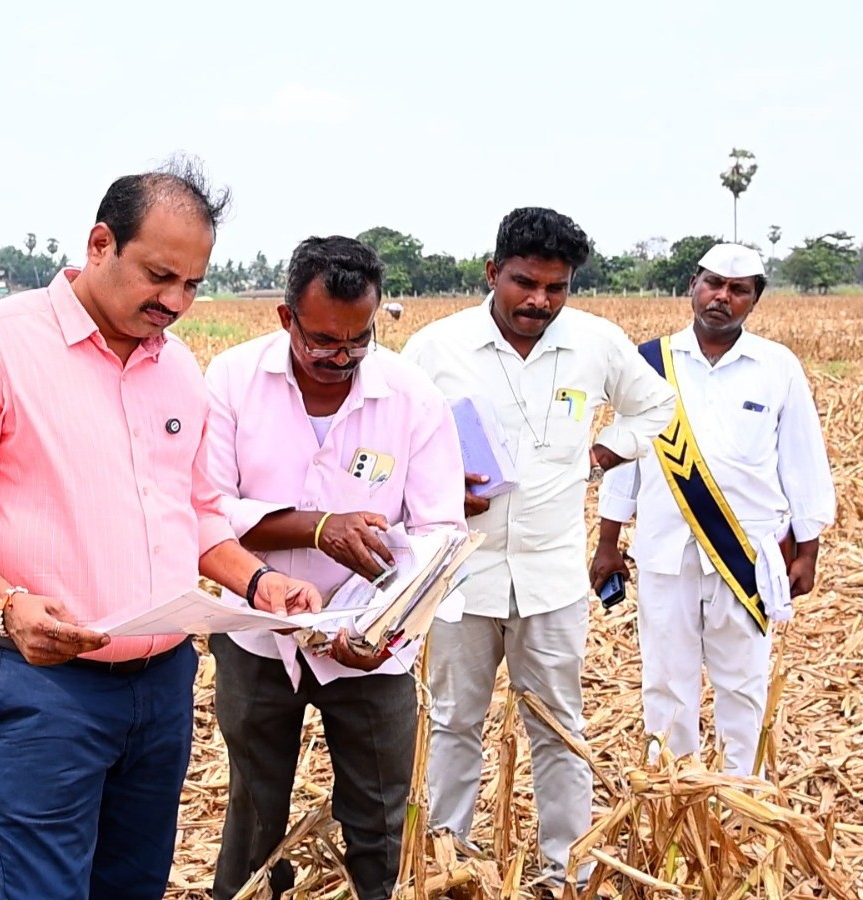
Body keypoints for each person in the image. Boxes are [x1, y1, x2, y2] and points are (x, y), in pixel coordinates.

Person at [0, 160, 320, 900]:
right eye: (159, 276)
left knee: (133, 886)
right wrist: (9, 604)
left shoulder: (178, 368)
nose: (175, 302)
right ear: (101, 244)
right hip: (44, 685)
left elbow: (194, 510)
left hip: (162, 685)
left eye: (192, 284)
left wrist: (261, 581)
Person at [401, 207, 676, 890]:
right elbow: (390, 432)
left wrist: (604, 454)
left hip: (552, 576)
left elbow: (658, 408)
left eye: (557, 288)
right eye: (525, 283)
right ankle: (446, 863)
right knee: (453, 721)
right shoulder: (437, 348)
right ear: (492, 271)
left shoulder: (596, 342)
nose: (539, 301)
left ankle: (567, 870)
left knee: (558, 728)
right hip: (461, 573)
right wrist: (432, 487)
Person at [203, 236, 468, 900]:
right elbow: (205, 509)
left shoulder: (410, 395)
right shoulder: (231, 381)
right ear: (285, 317)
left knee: (380, 818)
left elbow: (440, 533)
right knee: (255, 814)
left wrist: (385, 632)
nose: (340, 358)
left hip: (373, 650)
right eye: (321, 340)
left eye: (358, 340)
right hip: (258, 636)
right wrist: (320, 530)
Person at [591, 243, 836, 777]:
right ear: (692, 286)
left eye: (738, 289)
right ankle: (672, 795)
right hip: (664, 551)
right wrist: (608, 543)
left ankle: (737, 798)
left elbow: (803, 462)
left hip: (746, 554)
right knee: (665, 681)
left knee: (742, 684)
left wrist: (808, 550)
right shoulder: (649, 362)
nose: (721, 297)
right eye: (712, 284)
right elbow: (626, 456)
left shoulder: (778, 367)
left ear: (754, 299)